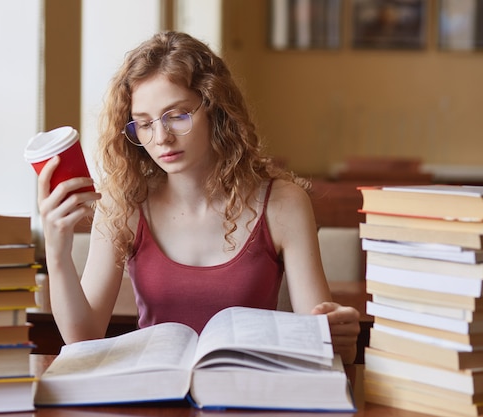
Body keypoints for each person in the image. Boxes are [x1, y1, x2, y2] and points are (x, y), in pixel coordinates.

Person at [38, 31, 360, 364]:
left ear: (214, 107)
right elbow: (84, 337)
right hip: (157, 395)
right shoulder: (124, 205)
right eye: (144, 123)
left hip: (249, 395)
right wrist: (57, 250)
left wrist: (341, 336)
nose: (161, 137)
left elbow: (323, 339)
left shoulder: (283, 203)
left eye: (177, 115)